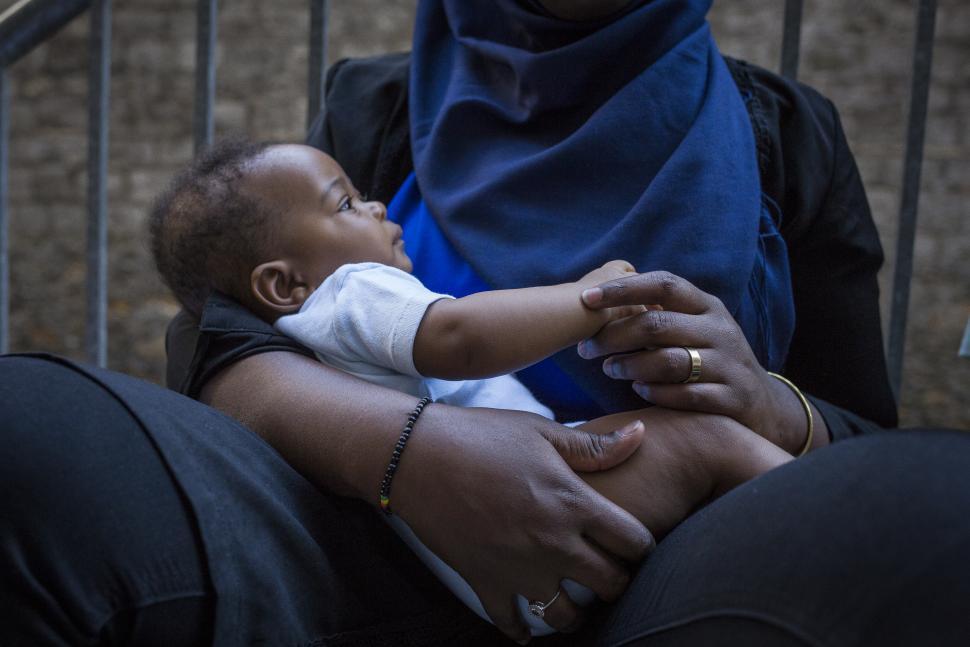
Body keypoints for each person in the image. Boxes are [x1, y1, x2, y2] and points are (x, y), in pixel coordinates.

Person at [148, 139, 793, 633]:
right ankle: (840, 535)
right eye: (344, 203)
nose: (375, 206)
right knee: (712, 442)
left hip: (485, 571)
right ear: (282, 285)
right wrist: (585, 300)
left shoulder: (299, 347)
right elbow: (458, 336)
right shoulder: (347, 293)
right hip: (535, 518)